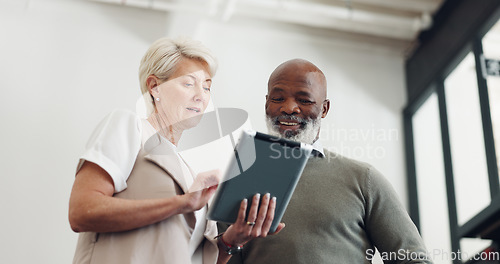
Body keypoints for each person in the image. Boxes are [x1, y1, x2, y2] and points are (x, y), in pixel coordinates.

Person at [68, 37, 284, 264]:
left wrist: (233, 239)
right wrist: (181, 204)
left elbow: (197, 258)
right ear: (154, 87)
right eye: (189, 84)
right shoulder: (129, 126)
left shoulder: (191, 170)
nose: (201, 96)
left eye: (207, 86)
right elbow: (82, 211)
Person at [226, 59, 431, 263]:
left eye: (304, 101)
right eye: (278, 99)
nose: (289, 108)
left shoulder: (363, 179)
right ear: (266, 103)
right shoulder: (240, 179)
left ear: (324, 109)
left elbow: (413, 260)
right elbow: (215, 256)